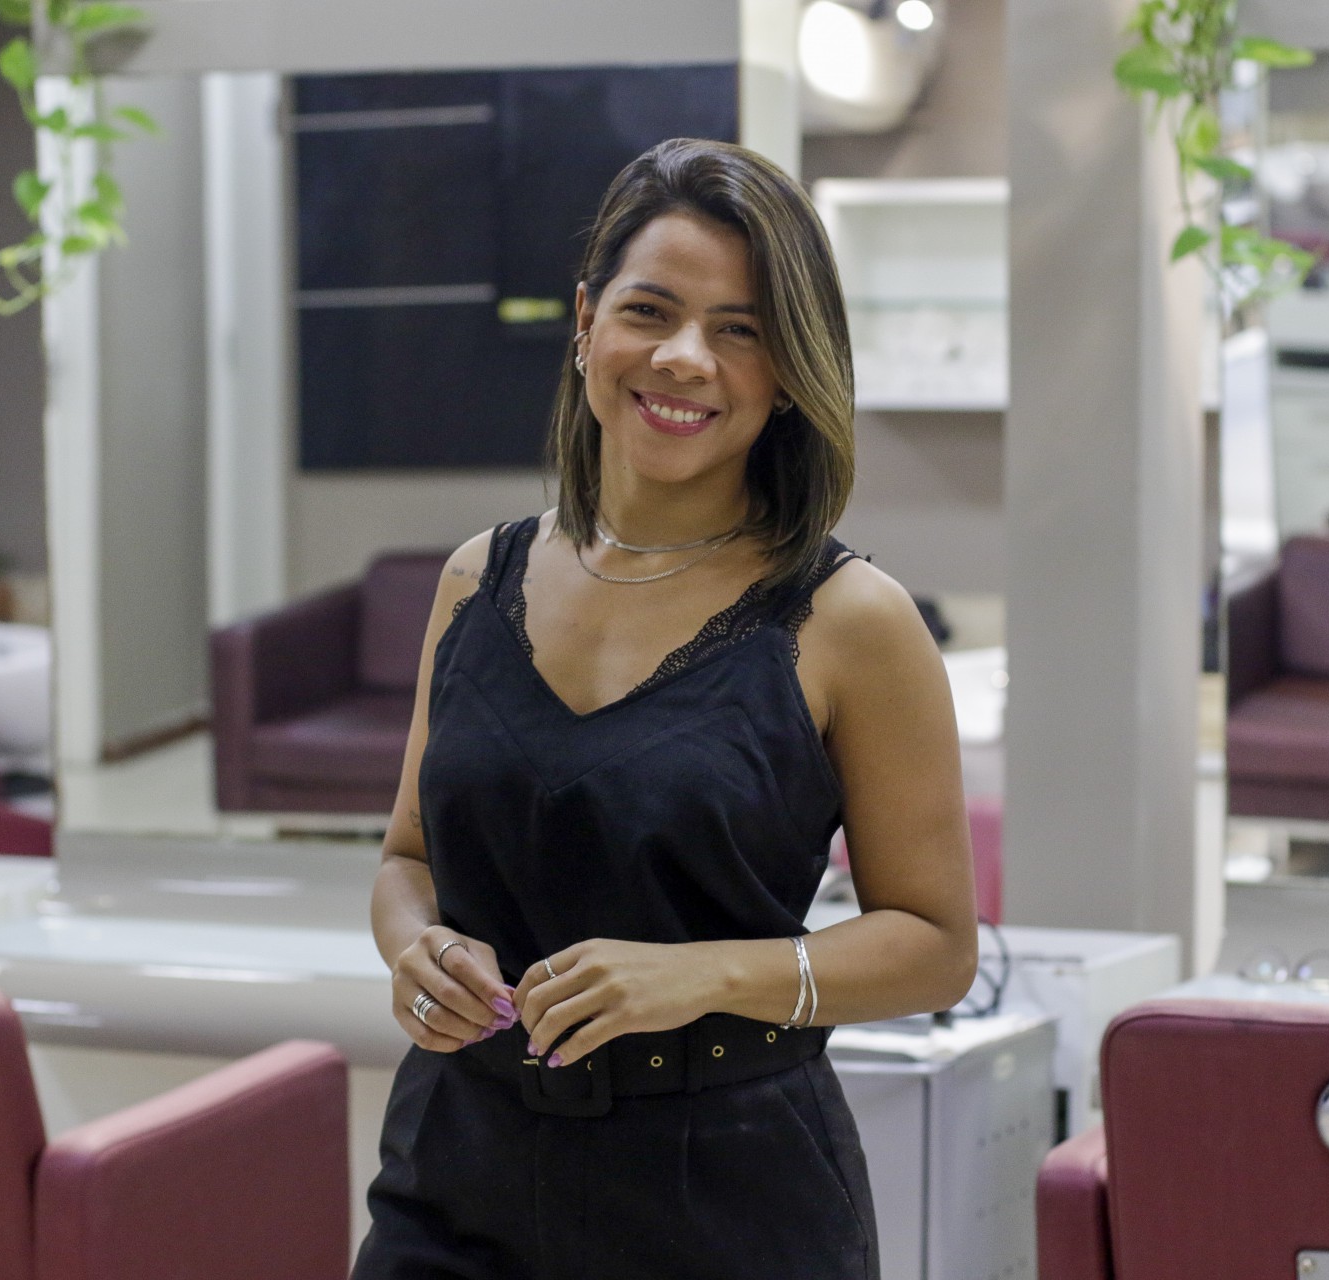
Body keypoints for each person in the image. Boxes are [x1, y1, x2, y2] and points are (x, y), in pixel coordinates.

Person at [351, 138, 979, 1280]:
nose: (685, 358)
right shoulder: (475, 579)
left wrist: (705, 974)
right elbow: (408, 857)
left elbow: (935, 947)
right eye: (651, 311)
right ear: (586, 322)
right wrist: (414, 947)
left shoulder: (852, 620)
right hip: (453, 1179)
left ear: (788, 371)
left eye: (740, 330)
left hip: (728, 1198)